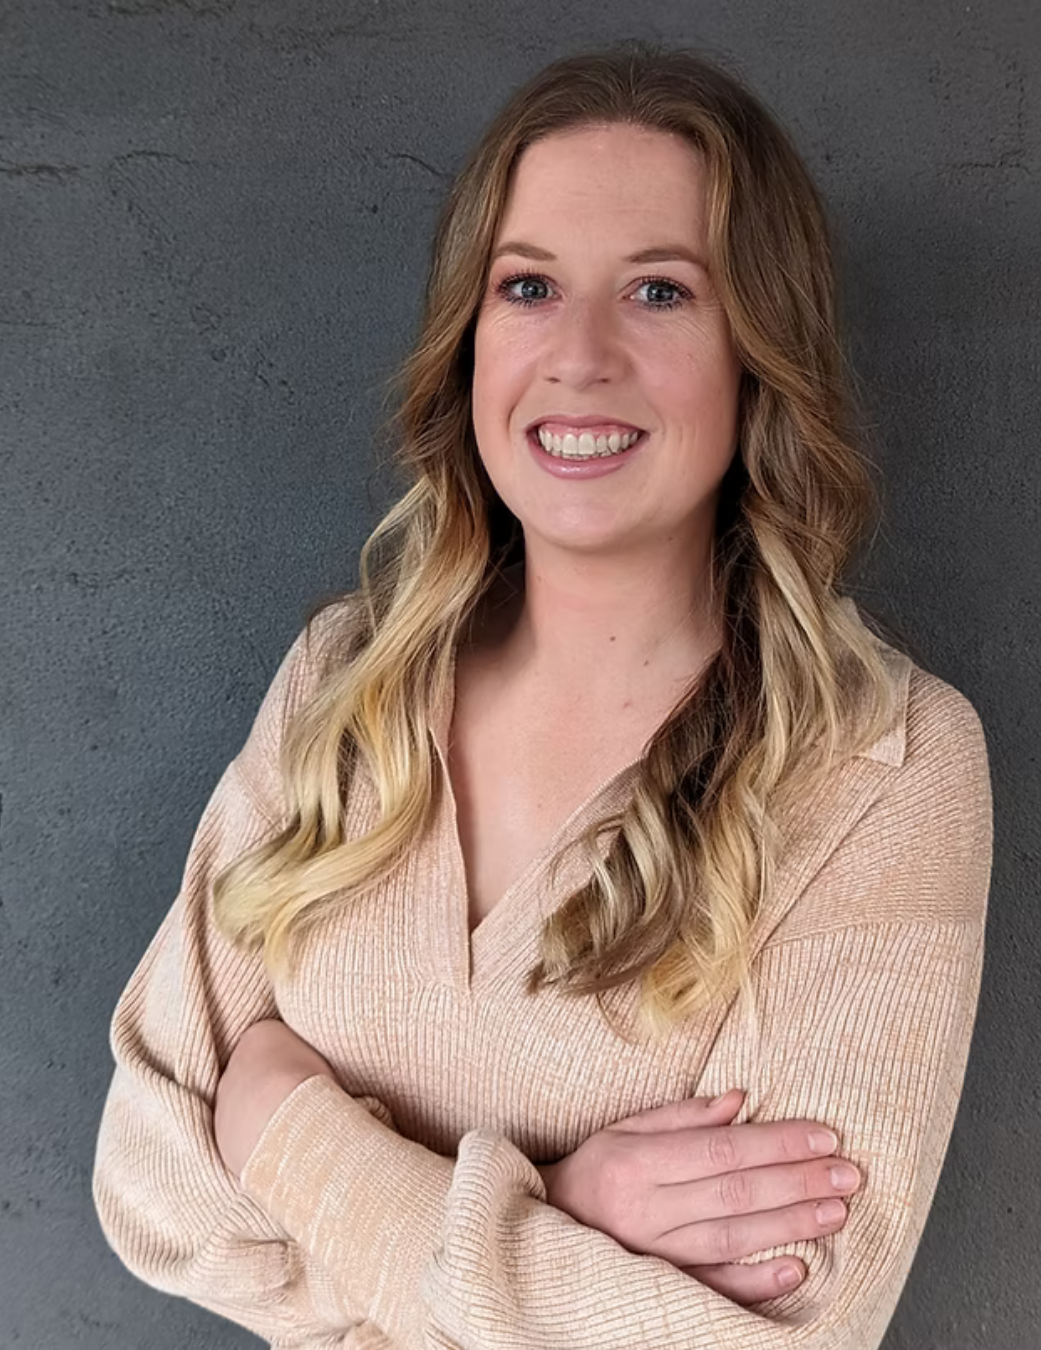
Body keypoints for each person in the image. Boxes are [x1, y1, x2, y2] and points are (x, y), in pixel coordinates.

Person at [91, 46, 993, 1350]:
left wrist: (282, 1121)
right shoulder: (347, 684)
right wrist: (554, 1212)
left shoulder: (882, 767)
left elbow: (773, 1333)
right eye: (527, 286)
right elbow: (150, 1188)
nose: (580, 356)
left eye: (660, 291)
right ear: (470, 338)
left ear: (758, 352)